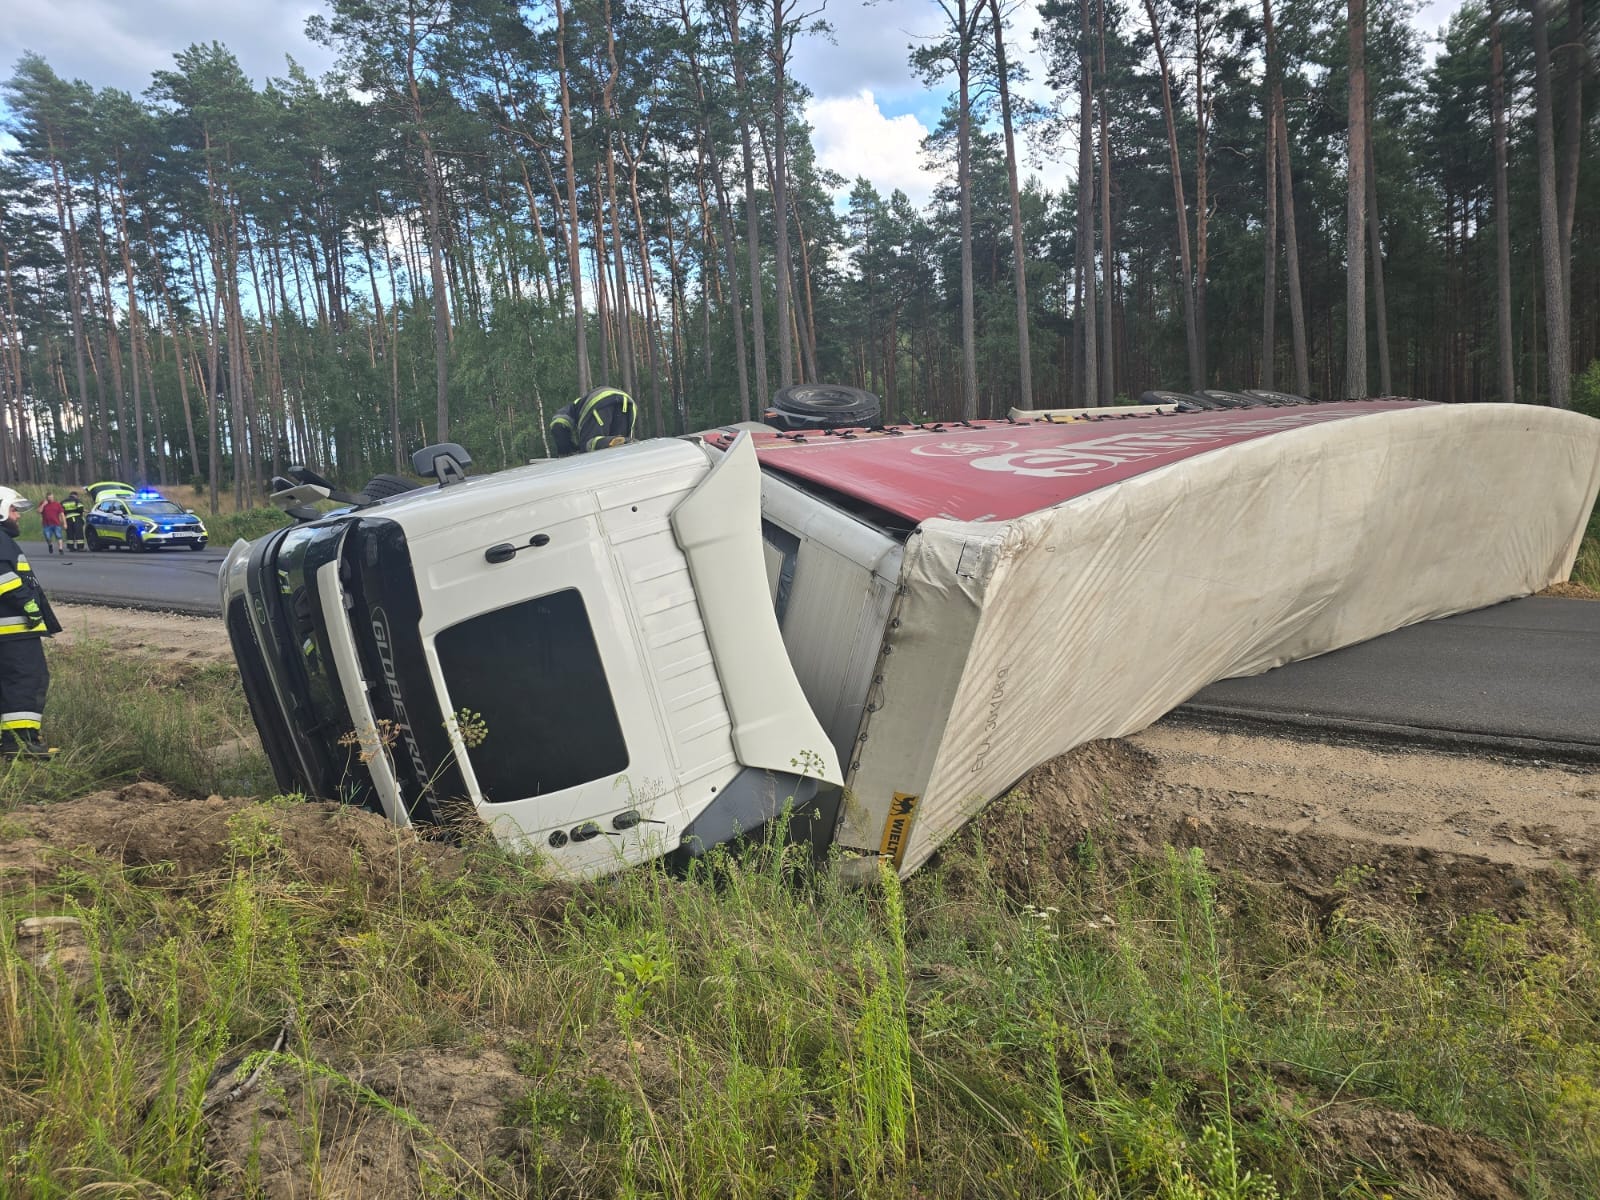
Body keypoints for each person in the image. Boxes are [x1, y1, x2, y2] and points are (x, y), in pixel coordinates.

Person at [0, 487, 59, 758]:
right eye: (13, 510)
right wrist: (28, 604)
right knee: (26, 680)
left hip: (9, 632)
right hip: (13, 631)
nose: (18, 516)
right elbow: (4, 579)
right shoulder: (0, 539)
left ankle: (11, 742)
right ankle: (22, 743)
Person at [548, 387, 636, 457]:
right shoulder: (580, 402)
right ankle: (619, 440)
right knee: (620, 449)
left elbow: (558, 425)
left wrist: (565, 452)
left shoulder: (569, 409)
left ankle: (612, 440)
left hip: (599, 401)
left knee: (588, 444)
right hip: (628, 402)